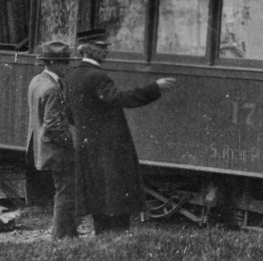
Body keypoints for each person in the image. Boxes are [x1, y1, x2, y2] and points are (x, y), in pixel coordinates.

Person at [64, 29, 175, 235]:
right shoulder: (98, 77)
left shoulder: (72, 76)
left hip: (88, 149)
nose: (106, 51)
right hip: (110, 151)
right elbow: (122, 98)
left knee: (99, 202)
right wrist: (154, 88)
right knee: (116, 201)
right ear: (88, 49)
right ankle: (117, 247)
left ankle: (103, 245)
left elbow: (70, 114)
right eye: (101, 47)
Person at [26, 40, 77, 241]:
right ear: (54, 63)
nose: (68, 67)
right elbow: (53, 125)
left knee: (63, 192)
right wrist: (71, 143)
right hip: (58, 151)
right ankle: (62, 236)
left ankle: (68, 234)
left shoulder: (36, 81)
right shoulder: (53, 89)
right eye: (65, 63)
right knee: (65, 194)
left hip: (43, 148)